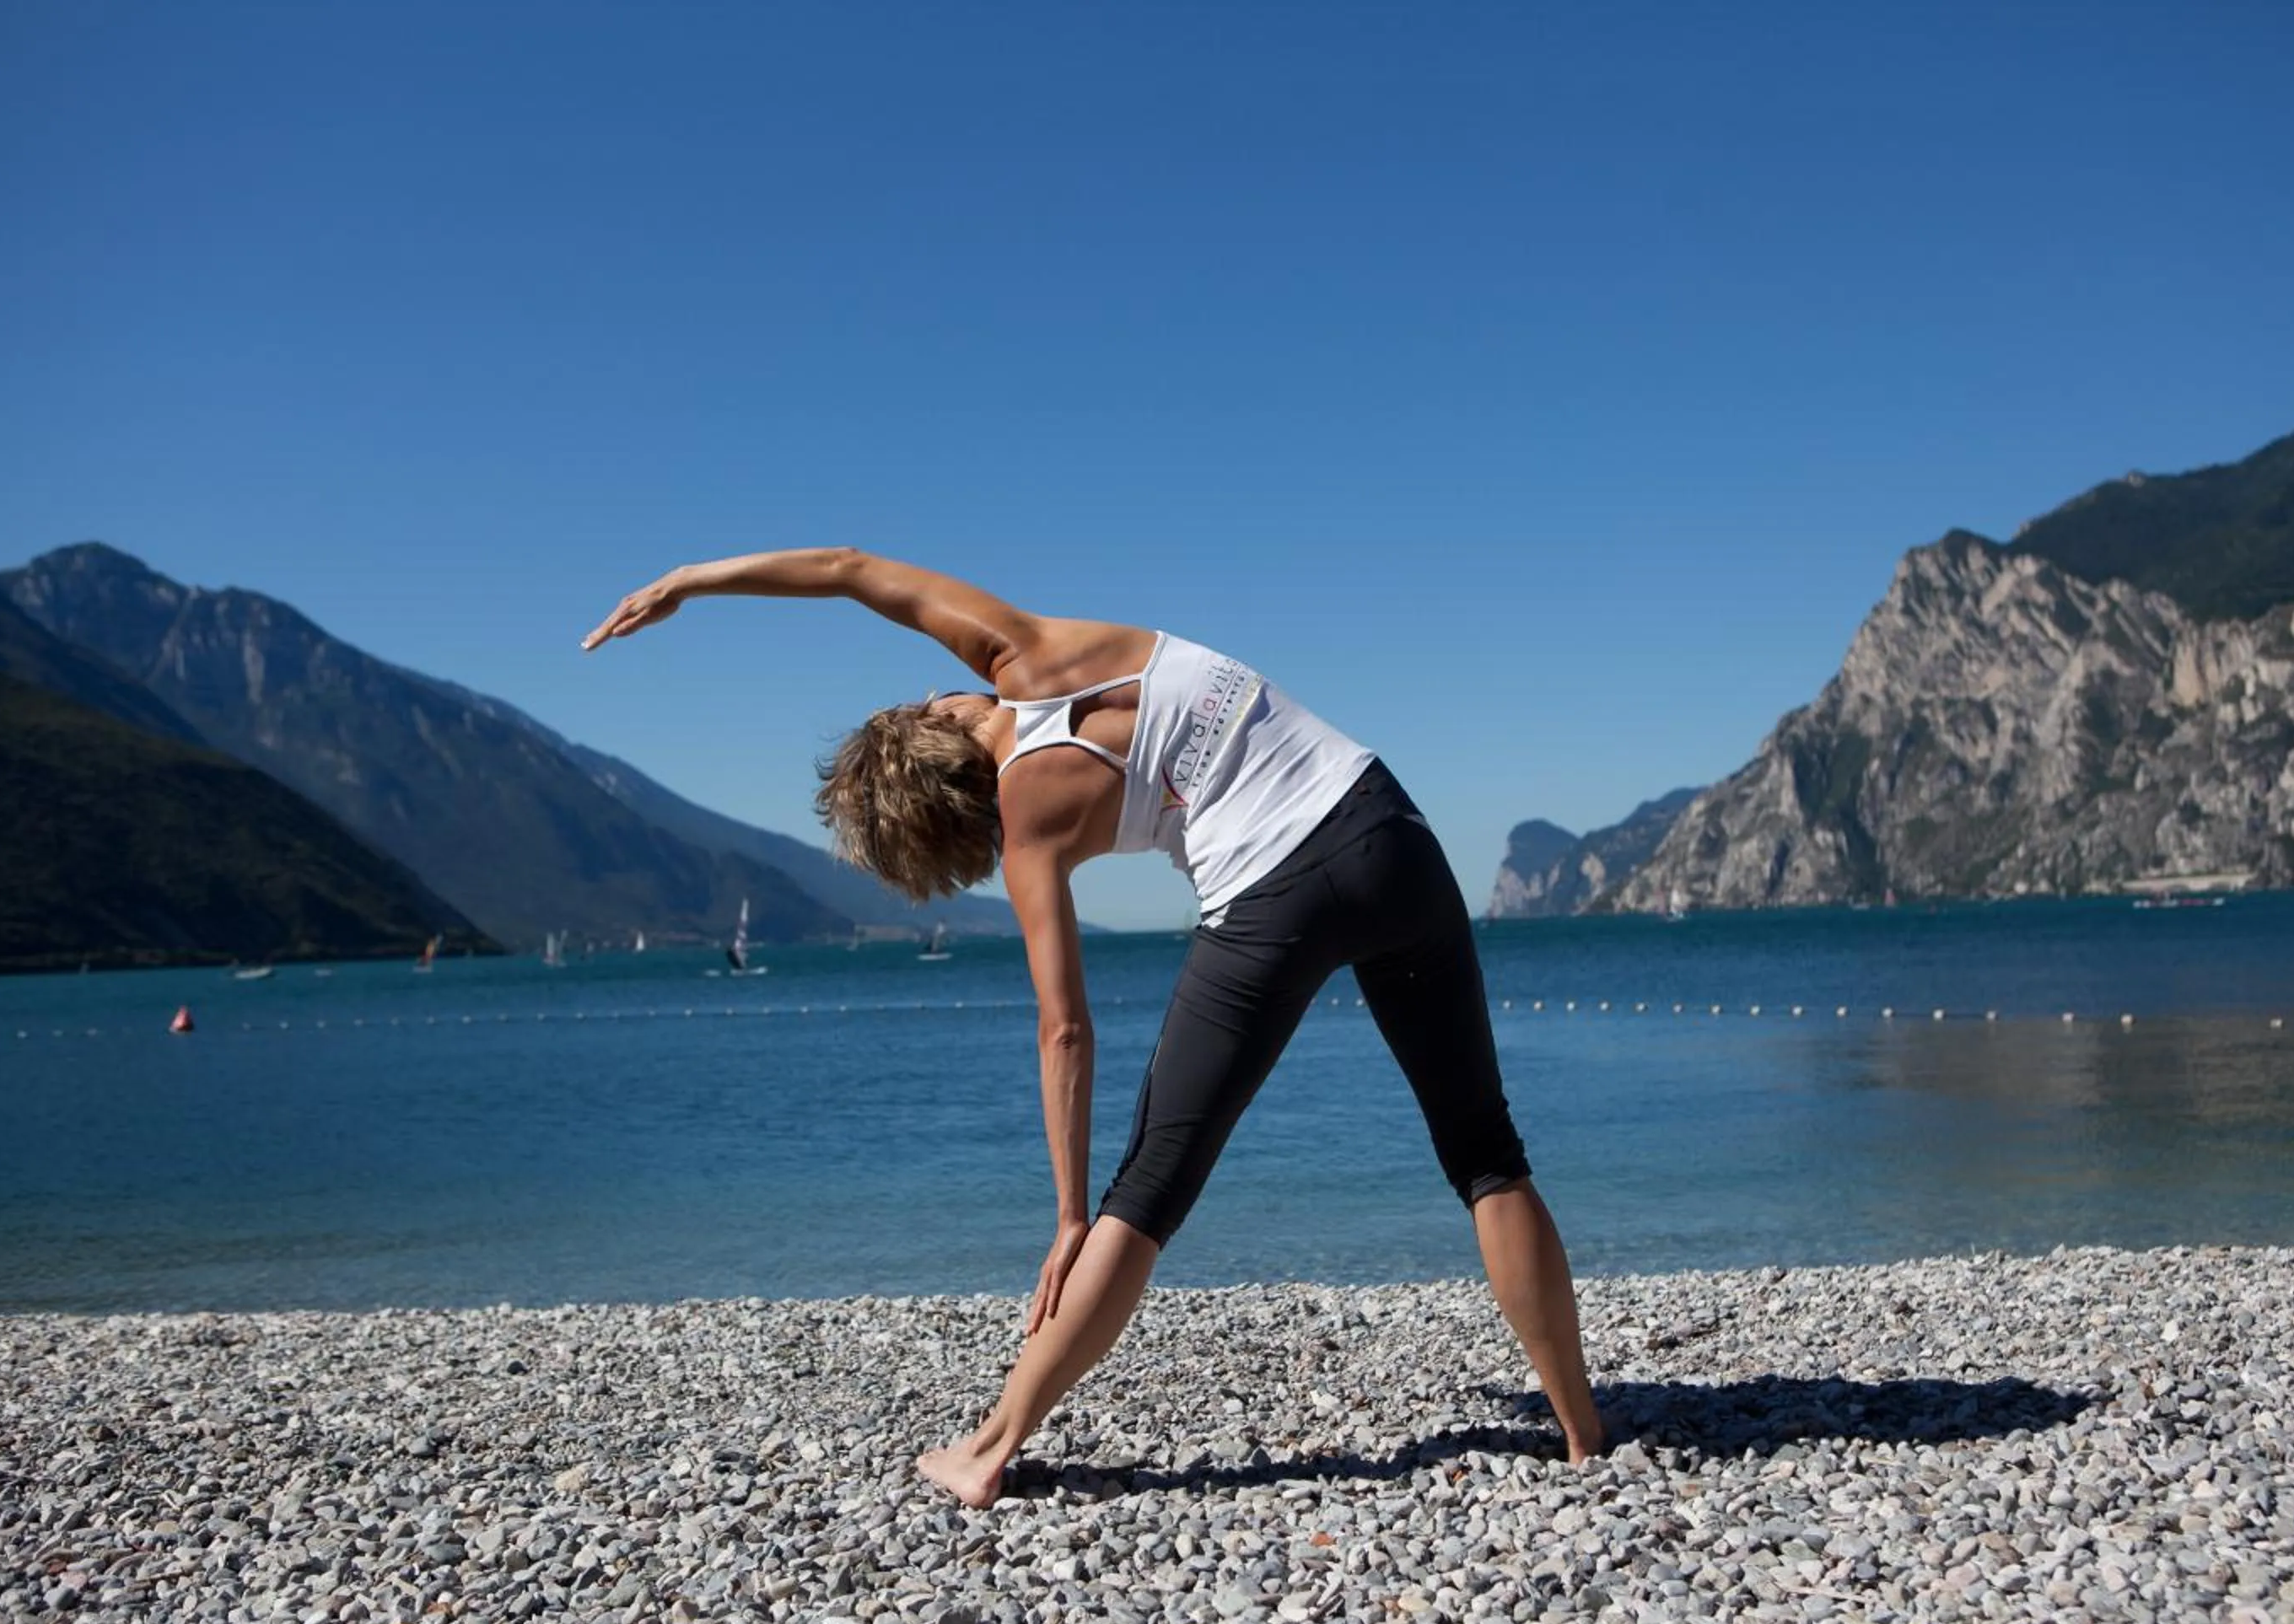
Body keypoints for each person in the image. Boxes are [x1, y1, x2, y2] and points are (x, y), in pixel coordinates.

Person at [584, 546, 1606, 1505]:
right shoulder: (1020, 647)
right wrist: (693, 580)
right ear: (937, 709)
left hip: (1271, 896)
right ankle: (1582, 1434)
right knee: (1485, 1152)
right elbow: (851, 572)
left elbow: (1065, 1031)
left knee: (1148, 1192)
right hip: (1384, 825)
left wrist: (1073, 1214)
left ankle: (989, 1448)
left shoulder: (1028, 822)